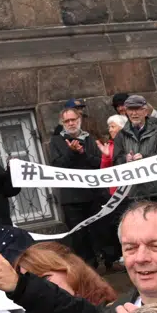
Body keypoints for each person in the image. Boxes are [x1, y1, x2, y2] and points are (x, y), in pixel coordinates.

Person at [47, 104, 112, 270]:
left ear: (79, 120)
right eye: (66, 121)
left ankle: (110, 260)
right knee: (79, 236)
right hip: (72, 198)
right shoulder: (55, 142)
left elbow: (99, 163)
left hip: (94, 194)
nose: (70, 123)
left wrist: (82, 153)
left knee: (102, 230)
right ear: (62, 123)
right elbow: (57, 166)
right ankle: (88, 266)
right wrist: (71, 152)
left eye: (73, 119)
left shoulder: (90, 139)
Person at [112, 95, 157, 203]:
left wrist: (145, 158)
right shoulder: (121, 135)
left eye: (137, 109)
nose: (134, 114)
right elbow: (116, 160)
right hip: (136, 193)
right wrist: (125, 159)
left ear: (145, 111)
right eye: (130, 110)